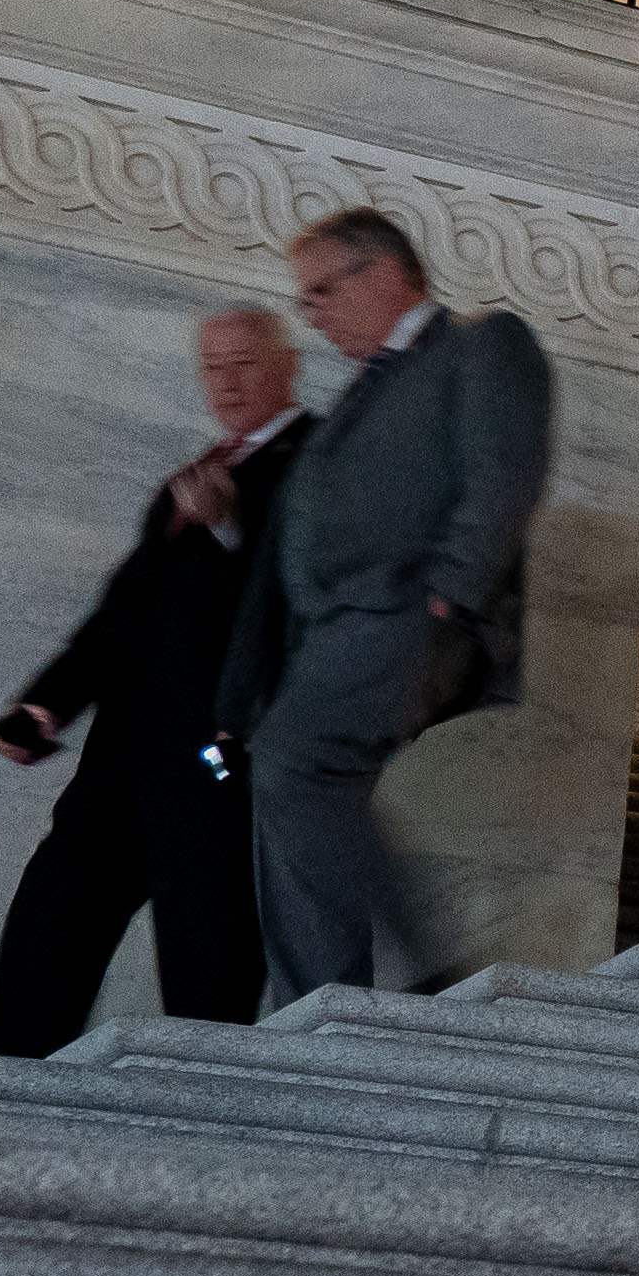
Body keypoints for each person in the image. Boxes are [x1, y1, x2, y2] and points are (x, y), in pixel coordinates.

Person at [215, 207, 549, 1007]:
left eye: (324, 290)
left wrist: (448, 602)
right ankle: (402, 973)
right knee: (310, 785)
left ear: (383, 271)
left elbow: (504, 470)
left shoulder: (480, 344)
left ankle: (329, 1005)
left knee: (297, 764)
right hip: (337, 632)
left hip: (404, 615)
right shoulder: (367, 387)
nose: (315, 312)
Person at [0, 306, 312, 1054]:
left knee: (206, 974)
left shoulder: (317, 460)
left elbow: (294, 598)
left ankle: (198, 1132)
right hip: (118, 767)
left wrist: (230, 529)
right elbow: (121, 614)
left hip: (215, 764)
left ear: (288, 365)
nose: (227, 384)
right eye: (213, 368)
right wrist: (45, 707)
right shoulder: (189, 480)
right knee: (45, 942)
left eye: (245, 364)